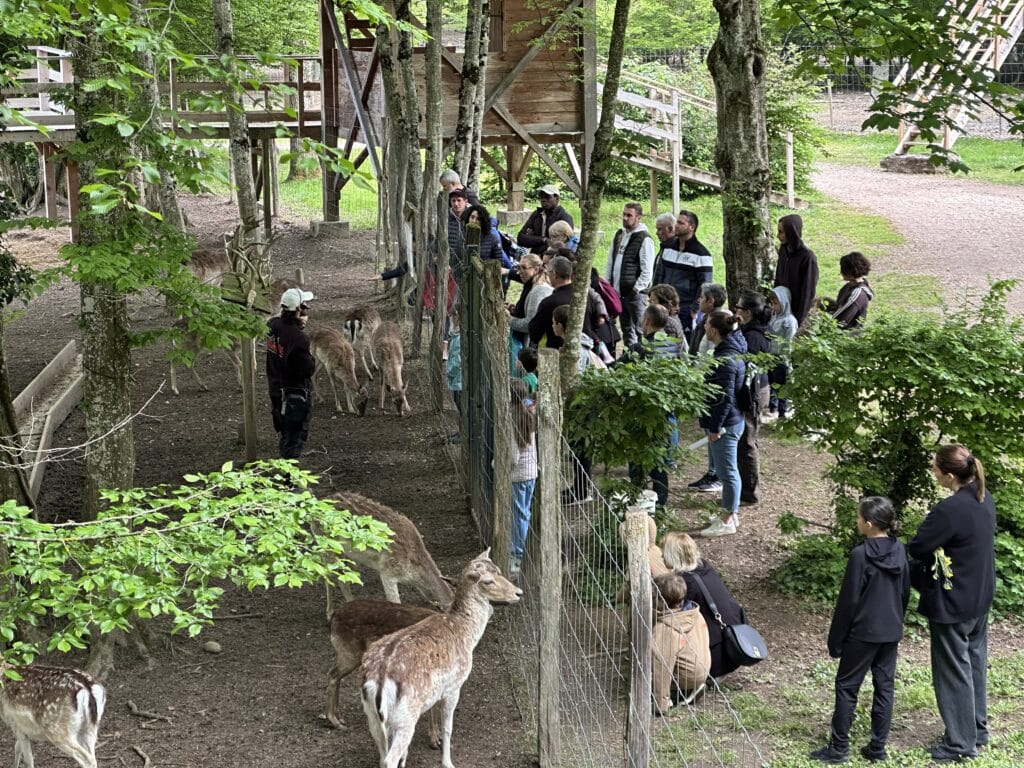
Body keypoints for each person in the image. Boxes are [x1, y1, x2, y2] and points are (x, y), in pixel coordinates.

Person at [908, 445, 995, 763]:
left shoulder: (950, 509)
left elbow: (918, 547)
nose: (933, 472)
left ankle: (960, 743)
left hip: (955, 602)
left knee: (953, 671)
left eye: (935, 469)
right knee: (973, 662)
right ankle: (976, 730)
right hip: (979, 596)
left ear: (948, 475)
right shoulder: (983, 497)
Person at [810, 497, 910, 765]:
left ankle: (839, 748)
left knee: (846, 686)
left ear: (868, 524)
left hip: (863, 632)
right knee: (884, 686)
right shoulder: (899, 549)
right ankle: (877, 747)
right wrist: (896, 620)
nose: (856, 522)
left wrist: (836, 639)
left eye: (857, 518)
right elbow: (904, 591)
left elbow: (849, 602)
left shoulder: (860, 555)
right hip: (890, 630)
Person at [662, 532, 746, 679]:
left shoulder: (684, 584)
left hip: (716, 659)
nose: (662, 557)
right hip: (737, 645)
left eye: (664, 554)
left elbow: (675, 618)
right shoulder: (705, 568)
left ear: (672, 556)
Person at [620, 305, 679, 506]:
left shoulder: (639, 348)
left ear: (647, 321)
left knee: (636, 458)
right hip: (664, 410)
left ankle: (636, 498)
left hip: (641, 411)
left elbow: (619, 369)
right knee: (659, 462)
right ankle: (661, 503)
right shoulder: (673, 345)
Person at [696, 309, 746, 538]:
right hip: (728, 421)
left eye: (706, 323)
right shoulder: (730, 348)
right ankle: (730, 512)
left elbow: (724, 398)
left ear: (714, 330)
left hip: (726, 424)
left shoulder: (725, 360)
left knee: (728, 473)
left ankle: (727, 519)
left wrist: (715, 428)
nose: (704, 327)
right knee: (727, 470)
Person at [266, 287, 316, 460]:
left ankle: (285, 477)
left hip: (275, 389)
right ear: (298, 310)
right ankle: (289, 483)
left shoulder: (272, 326)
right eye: (304, 307)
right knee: (294, 439)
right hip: (295, 394)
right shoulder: (299, 338)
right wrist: (299, 329)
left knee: (285, 433)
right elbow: (307, 369)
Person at [652, 572, 712, 713]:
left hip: (684, 678)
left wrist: (661, 705)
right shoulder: (694, 614)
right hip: (702, 671)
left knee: (646, 667)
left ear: (658, 599)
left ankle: (676, 696)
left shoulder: (665, 629)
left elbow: (661, 667)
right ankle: (691, 688)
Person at [734, 291, 772, 506]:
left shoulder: (753, 337)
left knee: (746, 442)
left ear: (747, 312)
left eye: (738, 308)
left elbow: (747, 370)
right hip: (758, 390)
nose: (735, 311)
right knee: (748, 440)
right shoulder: (754, 331)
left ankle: (749, 492)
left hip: (754, 393)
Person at [653, 210, 713, 334]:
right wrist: (654, 297)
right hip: (663, 307)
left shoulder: (702, 254)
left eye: (681, 223)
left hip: (685, 309)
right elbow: (659, 275)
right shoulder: (667, 248)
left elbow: (705, 285)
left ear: (691, 227)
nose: (676, 225)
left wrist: (694, 309)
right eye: (677, 222)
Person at [606, 202, 655, 347]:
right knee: (626, 329)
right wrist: (608, 285)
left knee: (641, 329)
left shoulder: (644, 239)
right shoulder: (619, 235)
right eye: (624, 214)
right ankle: (630, 358)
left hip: (635, 294)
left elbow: (647, 270)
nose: (625, 218)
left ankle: (643, 360)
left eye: (629, 215)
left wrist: (636, 289)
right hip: (618, 292)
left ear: (638, 218)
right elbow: (611, 261)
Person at [509, 379, 538, 577]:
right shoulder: (528, 414)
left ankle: (519, 554)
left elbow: (513, 455)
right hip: (531, 473)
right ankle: (525, 549)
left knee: (519, 515)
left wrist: (499, 466)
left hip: (518, 475)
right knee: (524, 512)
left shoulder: (512, 419)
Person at [508, 254, 552, 371]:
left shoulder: (539, 290)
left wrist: (509, 319)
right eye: (518, 268)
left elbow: (529, 324)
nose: (519, 272)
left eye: (524, 268)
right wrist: (515, 311)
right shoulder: (531, 286)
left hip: (531, 349)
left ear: (536, 269)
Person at [774, 213, 819, 327]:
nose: (778, 236)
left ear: (791, 233)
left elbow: (807, 292)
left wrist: (798, 320)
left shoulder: (807, 258)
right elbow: (778, 278)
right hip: (781, 310)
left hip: (795, 313)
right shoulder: (783, 251)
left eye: (781, 232)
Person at [766, 286, 798, 421]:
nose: (773, 307)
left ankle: (782, 412)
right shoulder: (774, 318)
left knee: (781, 386)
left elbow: (789, 341)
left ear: (784, 302)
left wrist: (786, 358)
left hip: (781, 358)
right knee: (772, 383)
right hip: (770, 356)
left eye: (776, 304)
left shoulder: (789, 321)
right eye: (772, 304)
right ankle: (772, 407)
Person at [528, 256, 575, 349]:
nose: (547, 275)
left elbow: (534, 332)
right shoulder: (586, 296)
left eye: (548, 272)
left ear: (555, 274)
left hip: (555, 352)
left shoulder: (550, 302)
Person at [820, 251, 874, 330]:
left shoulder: (858, 293)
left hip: (845, 336)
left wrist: (821, 321)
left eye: (843, 269)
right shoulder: (849, 286)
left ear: (850, 270)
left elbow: (841, 318)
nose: (841, 272)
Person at [517, 185, 574, 255]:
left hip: (553, 258)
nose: (543, 200)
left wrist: (533, 239)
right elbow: (520, 238)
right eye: (541, 197)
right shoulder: (537, 214)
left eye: (547, 197)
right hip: (535, 256)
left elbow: (560, 245)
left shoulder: (564, 218)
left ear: (557, 198)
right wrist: (544, 240)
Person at [551, 304, 605, 373]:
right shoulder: (578, 342)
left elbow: (578, 374)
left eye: (553, 323)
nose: (552, 326)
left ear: (559, 325)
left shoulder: (577, 348)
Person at [686, 282, 727, 359]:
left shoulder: (715, 324)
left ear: (710, 301)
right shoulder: (706, 318)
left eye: (701, 297)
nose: (698, 300)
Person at [445, 311, 463, 444]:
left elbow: (457, 361)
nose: (452, 320)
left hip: (459, 380)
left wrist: (449, 372)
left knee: (462, 406)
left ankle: (464, 433)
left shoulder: (459, 339)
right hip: (457, 380)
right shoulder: (455, 336)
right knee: (459, 405)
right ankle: (461, 430)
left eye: (454, 317)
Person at [447, 189, 469, 279]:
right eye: (453, 201)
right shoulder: (445, 219)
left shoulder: (473, 217)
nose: (456, 204)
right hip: (450, 266)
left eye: (459, 200)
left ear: (465, 201)